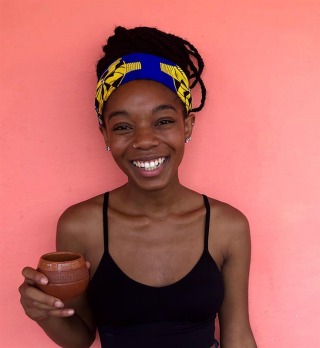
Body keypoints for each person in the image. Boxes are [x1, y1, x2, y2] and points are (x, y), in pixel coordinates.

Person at [19, 26, 257, 348]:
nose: (144, 141)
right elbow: (79, 337)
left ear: (187, 124)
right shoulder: (81, 226)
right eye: (123, 127)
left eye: (163, 121)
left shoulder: (227, 226)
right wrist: (44, 311)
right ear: (105, 135)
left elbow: (238, 336)